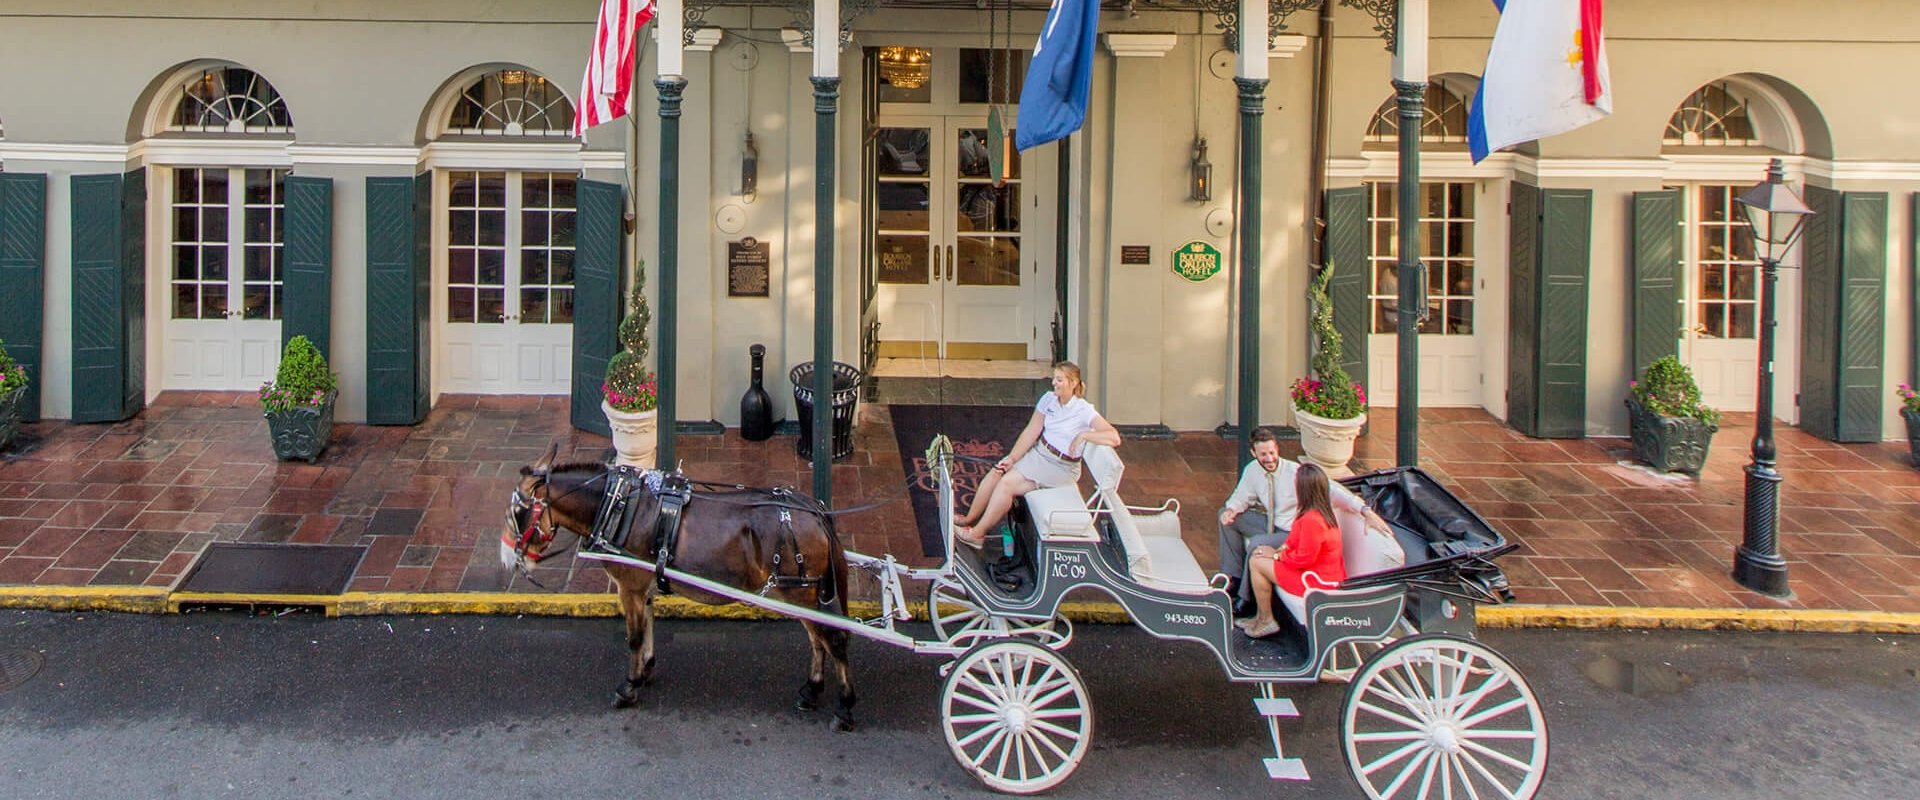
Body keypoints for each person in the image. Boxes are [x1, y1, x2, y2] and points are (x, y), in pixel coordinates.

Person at [1217, 428, 1384, 617]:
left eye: (1272, 452)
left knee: (1258, 544)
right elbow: (1241, 496)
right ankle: (1234, 578)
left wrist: (1365, 510)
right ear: (1254, 453)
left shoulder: (1296, 473)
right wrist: (1232, 510)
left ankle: (1246, 600)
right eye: (1263, 454)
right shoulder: (1252, 470)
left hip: (1291, 531)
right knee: (1225, 517)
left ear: (1277, 449)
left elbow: (1332, 490)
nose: (1269, 458)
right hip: (1271, 522)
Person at [953, 361, 1119, 549]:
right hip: (1040, 453)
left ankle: (977, 534)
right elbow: (1032, 431)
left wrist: (1084, 435)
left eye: (1059, 380)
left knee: (1007, 484)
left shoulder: (1084, 410)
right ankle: (969, 518)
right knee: (997, 471)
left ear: (1073, 383)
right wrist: (1012, 458)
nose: (1054, 383)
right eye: (1054, 379)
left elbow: (1113, 436)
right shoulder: (1048, 399)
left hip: (1060, 467)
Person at [1238, 462, 1344, 639]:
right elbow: (1293, 541)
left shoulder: (1313, 520)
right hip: (1309, 573)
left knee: (1256, 563)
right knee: (1259, 555)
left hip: (1315, 580)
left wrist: (1277, 555)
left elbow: (1303, 560)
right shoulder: (1312, 512)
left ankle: (1266, 620)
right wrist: (1276, 551)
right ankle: (1260, 617)